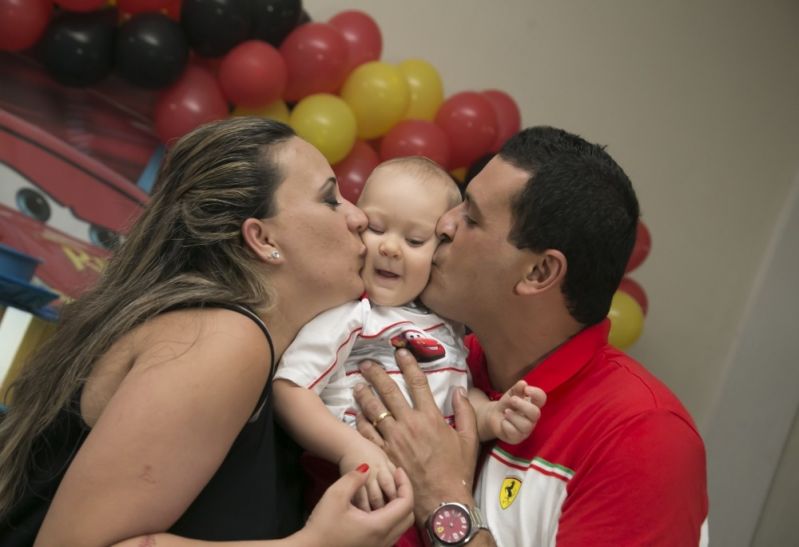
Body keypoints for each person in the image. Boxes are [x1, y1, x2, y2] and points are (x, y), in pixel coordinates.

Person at [0, 117, 414, 547]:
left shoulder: (258, 353)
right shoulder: (222, 338)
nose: (359, 217)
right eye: (331, 199)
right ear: (262, 238)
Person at [353, 127, 709, 546]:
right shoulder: (432, 354)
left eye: (471, 216)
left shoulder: (641, 437)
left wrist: (442, 496)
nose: (443, 224)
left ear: (538, 273)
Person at [272, 158, 545, 526]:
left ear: (439, 252)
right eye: (376, 228)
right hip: (356, 490)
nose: (390, 247)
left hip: (429, 509)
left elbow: (456, 403)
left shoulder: (448, 326)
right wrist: (351, 448)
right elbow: (290, 390)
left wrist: (492, 416)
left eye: (414, 240)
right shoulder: (353, 315)